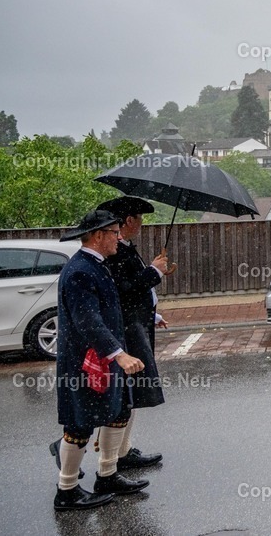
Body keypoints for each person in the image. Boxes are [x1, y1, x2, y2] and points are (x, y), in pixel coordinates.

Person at [53, 210, 149, 511]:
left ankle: (107, 475)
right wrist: (119, 354)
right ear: (98, 236)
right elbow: (88, 321)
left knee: (119, 411)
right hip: (85, 361)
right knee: (79, 425)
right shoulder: (80, 271)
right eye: (114, 233)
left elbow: (108, 309)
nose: (119, 238)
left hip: (104, 357)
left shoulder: (97, 265)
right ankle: (66, 491)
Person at [98, 196, 175, 468]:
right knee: (127, 393)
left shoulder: (126, 248)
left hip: (137, 324)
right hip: (127, 330)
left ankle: (123, 449)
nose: (142, 224)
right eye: (140, 218)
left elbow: (134, 291)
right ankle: (108, 454)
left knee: (133, 393)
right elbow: (124, 290)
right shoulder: (115, 252)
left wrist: (152, 314)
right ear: (129, 220)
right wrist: (154, 271)